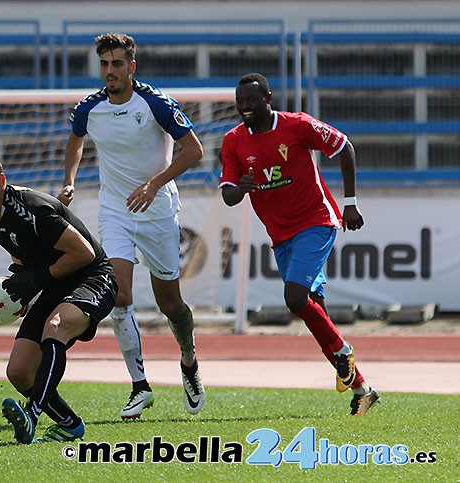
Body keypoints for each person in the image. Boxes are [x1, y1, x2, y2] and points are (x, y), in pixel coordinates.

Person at [58, 32, 206, 420]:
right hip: (115, 212)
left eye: (117, 64)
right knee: (119, 295)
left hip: (157, 212)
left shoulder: (155, 103)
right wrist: (70, 180)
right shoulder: (89, 108)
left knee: (170, 304)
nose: (110, 71)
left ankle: (189, 362)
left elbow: (195, 150)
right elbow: (75, 140)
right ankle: (140, 387)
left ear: (131, 66)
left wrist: (154, 183)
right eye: (105, 64)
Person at [218, 73, 380, 416]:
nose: (244, 106)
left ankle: (344, 353)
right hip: (280, 236)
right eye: (240, 100)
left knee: (294, 298)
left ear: (268, 99)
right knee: (314, 308)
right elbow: (229, 195)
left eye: (251, 100)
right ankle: (362, 388)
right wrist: (242, 187)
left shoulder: (296, 125)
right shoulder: (233, 141)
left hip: (315, 222)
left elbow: (344, 147)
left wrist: (350, 202)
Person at [0, 151, 117, 443]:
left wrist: (36, 281)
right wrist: (20, 290)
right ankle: (69, 424)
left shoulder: (31, 208)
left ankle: (31, 417)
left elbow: (84, 253)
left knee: (55, 326)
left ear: (1, 180)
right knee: (19, 372)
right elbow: (22, 259)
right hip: (55, 283)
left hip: (94, 276)